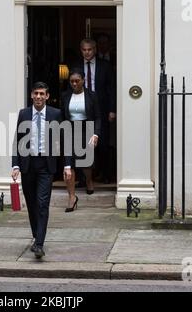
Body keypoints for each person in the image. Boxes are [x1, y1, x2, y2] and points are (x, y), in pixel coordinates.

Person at [12, 82, 72, 259]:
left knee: (42, 203)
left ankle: (39, 244)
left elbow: (65, 140)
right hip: (28, 165)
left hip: (46, 166)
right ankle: (36, 236)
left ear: (47, 96)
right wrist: (15, 165)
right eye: (36, 93)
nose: (38, 97)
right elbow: (17, 141)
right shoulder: (24, 113)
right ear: (31, 95)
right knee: (32, 204)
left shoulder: (55, 114)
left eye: (42, 94)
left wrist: (67, 165)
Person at [61, 69, 101, 212]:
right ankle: (72, 197)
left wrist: (96, 134)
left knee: (86, 161)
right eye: (71, 81)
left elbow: (97, 116)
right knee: (68, 163)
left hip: (87, 128)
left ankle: (88, 180)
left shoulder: (91, 95)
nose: (74, 84)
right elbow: (62, 115)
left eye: (77, 81)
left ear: (83, 80)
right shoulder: (65, 95)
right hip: (70, 129)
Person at [77, 39, 116, 184]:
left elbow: (111, 89)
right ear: (81, 50)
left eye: (90, 49)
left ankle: (105, 175)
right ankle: (83, 178)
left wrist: (112, 110)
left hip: (101, 108)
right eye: (84, 50)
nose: (87, 52)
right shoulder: (75, 65)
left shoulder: (105, 66)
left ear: (95, 49)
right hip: (81, 107)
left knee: (103, 143)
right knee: (81, 143)